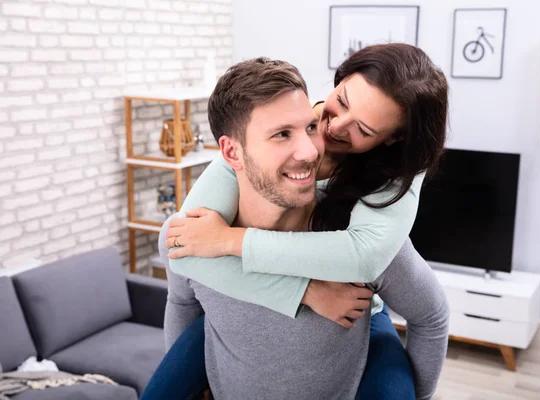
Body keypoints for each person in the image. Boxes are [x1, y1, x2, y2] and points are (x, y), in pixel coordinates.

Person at [145, 45, 449, 399]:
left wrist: (232, 241)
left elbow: (369, 261)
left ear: (392, 139)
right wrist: (305, 291)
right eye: (342, 101)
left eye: (363, 129)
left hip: (363, 317)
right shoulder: (222, 195)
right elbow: (184, 256)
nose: (333, 128)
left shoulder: (389, 184)